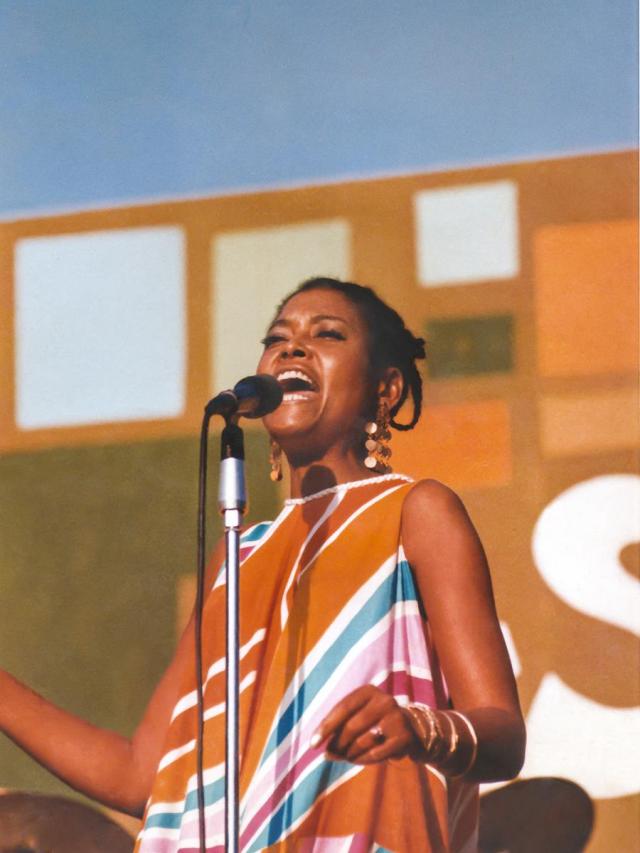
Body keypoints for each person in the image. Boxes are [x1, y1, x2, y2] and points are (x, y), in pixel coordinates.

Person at [0, 278, 525, 852]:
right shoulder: (237, 555)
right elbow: (142, 775)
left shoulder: (414, 512)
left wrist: (419, 728)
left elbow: (502, 734)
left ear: (386, 389)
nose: (292, 349)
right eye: (277, 338)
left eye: (327, 334)